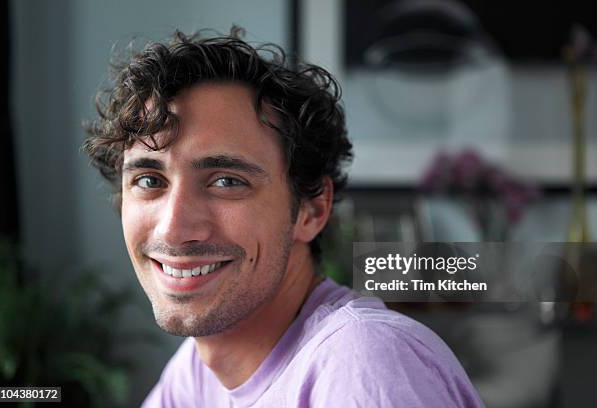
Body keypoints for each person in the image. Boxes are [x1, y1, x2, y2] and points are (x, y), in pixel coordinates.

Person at [84, 26, 484, 407]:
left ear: (311, 209)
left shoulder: (363, 361)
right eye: (150, 180)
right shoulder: (197, 372)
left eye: (226, 181)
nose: (174, 227)